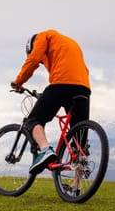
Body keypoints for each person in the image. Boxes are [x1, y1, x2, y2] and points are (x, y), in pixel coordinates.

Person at [10, 29, 91, 175]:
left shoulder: (43, 36)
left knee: (33, 121)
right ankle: (77, 189)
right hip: (83, 87)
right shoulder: (70, 43)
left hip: (61, 84)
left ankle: (46, 150)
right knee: (79, 141)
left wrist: (19, 81)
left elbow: (33, 60)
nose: (42, 61)